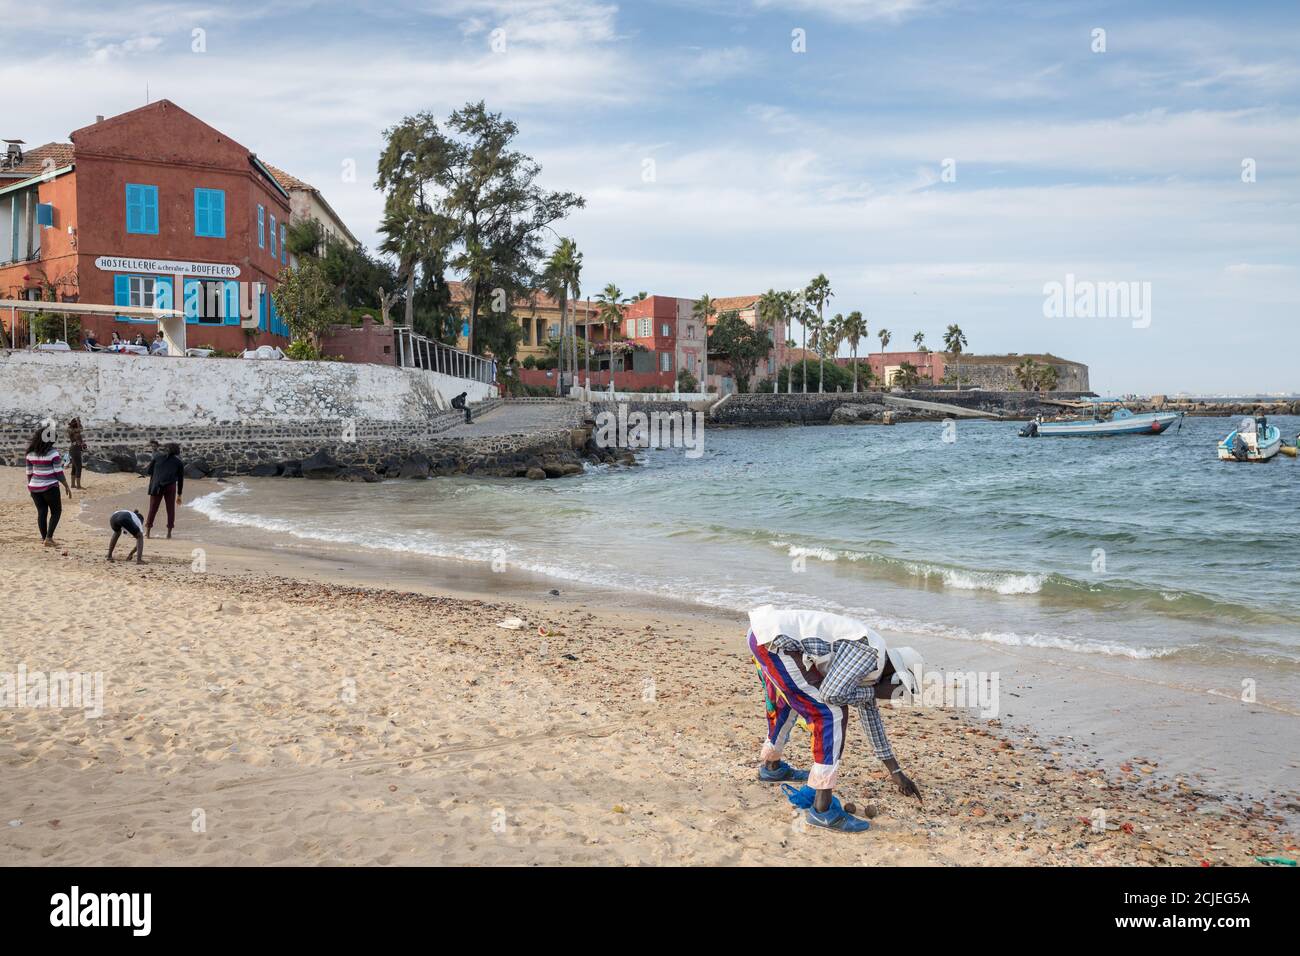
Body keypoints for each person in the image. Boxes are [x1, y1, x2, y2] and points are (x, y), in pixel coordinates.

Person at [747, 605, 923, 833]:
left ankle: (772, 766)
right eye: (898, 691)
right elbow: (830, 695)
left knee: (787, 704)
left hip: (762, 635)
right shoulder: (869, 654)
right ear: (896, 676)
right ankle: (822, 810)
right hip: (774, 643)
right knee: (830, 713)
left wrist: (896, 772)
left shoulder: (872, 671)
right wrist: (874, 692)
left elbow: (872, 721)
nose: (892, 697)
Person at [24, 425, 73, 547]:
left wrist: (31, 486)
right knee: (56, 511)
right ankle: (49, 538)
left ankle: (44, 538)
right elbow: (58, 472)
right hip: (50, 487)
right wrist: (66, 485)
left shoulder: (30, 453)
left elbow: (29, 473)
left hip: (34, 487)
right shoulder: (53, 453)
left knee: (42, 512)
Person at [144, 441, 184, 538]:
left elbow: (148, 471)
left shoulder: (157, 458)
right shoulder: (178, 462)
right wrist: (179, 494)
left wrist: (158, 474)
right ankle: (169, 533)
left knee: (153, 509)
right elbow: (180, 479)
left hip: (157, 486)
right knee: (170, 510)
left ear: (166, 449)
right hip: (171, 486)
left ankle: (148, 533)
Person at [67, 417, 86, 489]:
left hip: (76, 449)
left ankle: (73, 485)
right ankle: (78, 486)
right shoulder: (70, 430)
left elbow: (81, 429)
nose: (80, 424)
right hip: (74, 449)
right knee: (79, 467)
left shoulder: (75, 430)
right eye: (78, 423)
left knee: (75, 467)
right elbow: (80, 429)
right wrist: (77, 422)